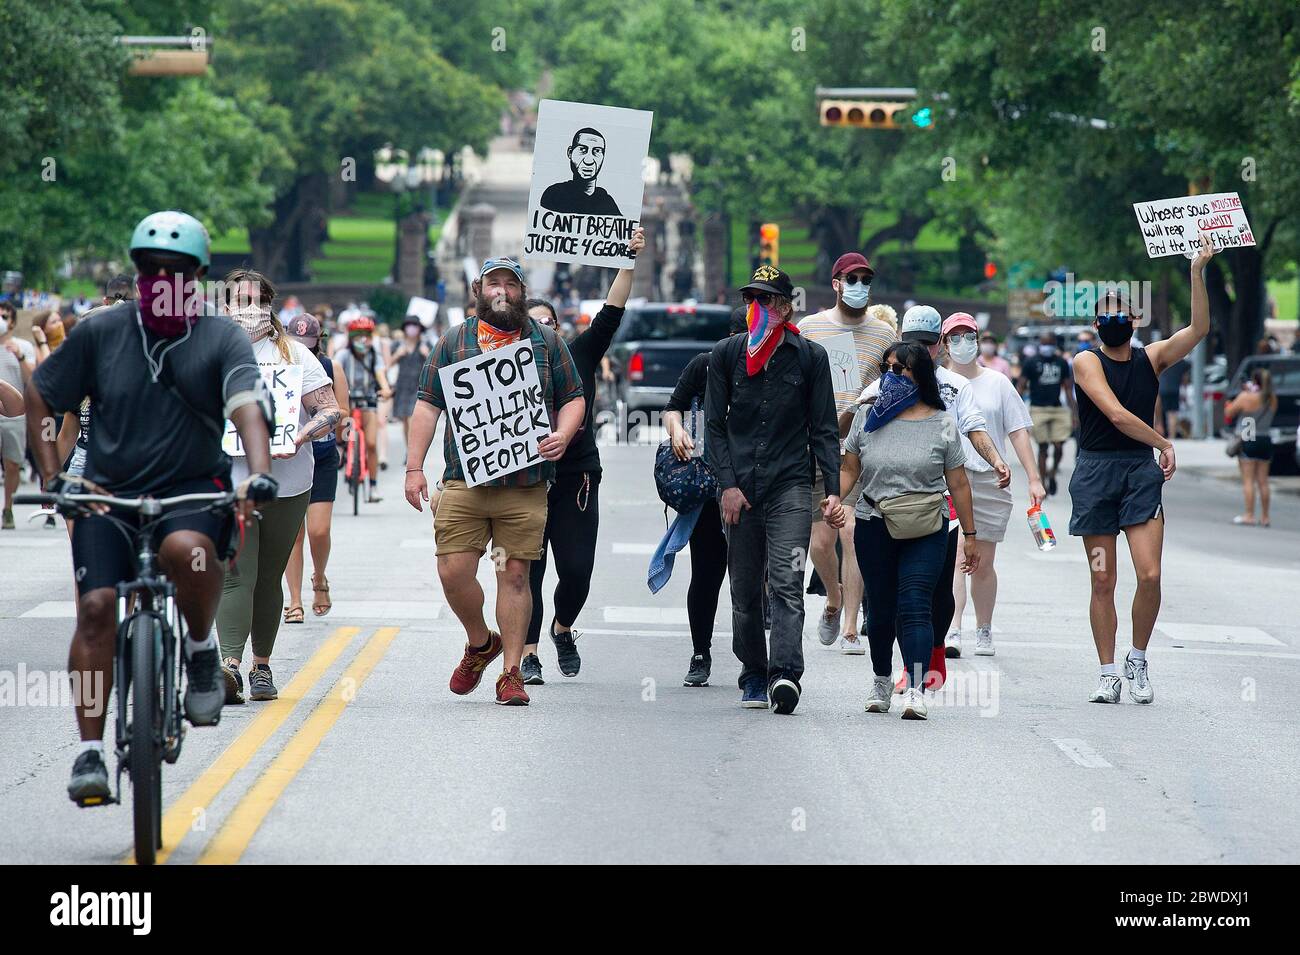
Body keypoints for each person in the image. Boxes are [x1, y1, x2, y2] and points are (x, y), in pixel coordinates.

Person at [25, 210, 277, 803]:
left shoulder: (222, 335)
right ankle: (90, 750)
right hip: (106, 494)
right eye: (151, 269)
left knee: (184, 550)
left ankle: (199, 647)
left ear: (197, 276)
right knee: (95, 607)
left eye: (178, 271)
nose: (164, 279)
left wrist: (260, 473)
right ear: (138, 272)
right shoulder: (99, 331)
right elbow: (41, 395)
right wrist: (54, 476)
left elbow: (246, 401)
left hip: (190, 490)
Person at [404, 257, 586, 706]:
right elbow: (427, 406)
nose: (501, 291)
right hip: (464, 481)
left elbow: (573, 397)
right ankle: (480, 641)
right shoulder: (454, 341)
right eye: (493, 283)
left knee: (516, 574)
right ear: (477, 290)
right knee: (453, 571)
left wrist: (563, 433)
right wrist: (413, 468)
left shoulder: (545, 342)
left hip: (524, 484)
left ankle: (511, 673)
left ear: (522, 292)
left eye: (510, 283)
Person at [1070, 234, 1215, 705]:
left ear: (1135, 321)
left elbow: (1197, 330)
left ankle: (1137, 656)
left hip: (1138, 474)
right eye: (1106, 314)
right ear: (1096, 323)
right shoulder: (1085, 361)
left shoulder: (1150, 358)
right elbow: (1115, 414)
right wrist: (1163, 441)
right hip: (1095, 474)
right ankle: (1107, 670)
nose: (1115, 320)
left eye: (1123, 314)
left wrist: (1197, 271)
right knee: (1103, 578)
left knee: (1149, 574)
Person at [849, 305, 1010, 691]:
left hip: (940, 505)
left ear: (938, 345)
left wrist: (996, 460)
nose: (919, 349)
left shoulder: (955, 388)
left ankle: (934, 648)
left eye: (926, 342)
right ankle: (907, 672)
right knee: (904, 597)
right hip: (882, 508)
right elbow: (851, 429)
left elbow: (974, 429)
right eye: (912, 342)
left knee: (936, 595)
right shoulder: (881, 386)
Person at [705, 265, 841, 715]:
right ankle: (752, 674)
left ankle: (785, 673)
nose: (757, 309)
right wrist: (726, 485)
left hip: (790, 488)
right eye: (751, 301)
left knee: (786, 584)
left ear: (784, 308)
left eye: (766, 301)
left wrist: (834, 490)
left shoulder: (810, 357)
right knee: (745, 591)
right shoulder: (725, 355)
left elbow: (823, 429)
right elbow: (714, 429)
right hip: (740, 490)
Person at [522, 227, 645, 685]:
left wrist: (627, 260)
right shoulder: (506, 367)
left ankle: (563, 626)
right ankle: (529, 654)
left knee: (576, 569)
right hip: (527, 480)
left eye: (549, 323)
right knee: (526, 569)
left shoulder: (578, 354)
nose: (543, 330)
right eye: (533, 323)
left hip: (577, 477)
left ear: (560, 328)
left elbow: (612, 311)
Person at [838, 342, 979, 720]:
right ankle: (881, 680)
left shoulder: (942, 422)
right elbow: (850, 466)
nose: (892, 375)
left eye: (900, 368)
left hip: (926, 525)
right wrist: (835, 498)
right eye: (887, 368)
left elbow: (960, 483)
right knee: (881, 608)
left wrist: (970, 534)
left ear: (920, 375)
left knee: (916, 604)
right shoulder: (869, 416)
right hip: (874, 523)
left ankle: (914, 688)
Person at [217, 270, 339, 703]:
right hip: (230, 480)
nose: (248, 308)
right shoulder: (208, 351)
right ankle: (228, 665)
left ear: (269, 305)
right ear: (224, 304)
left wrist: (301, 437)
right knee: (236, 572)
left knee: (268, 577)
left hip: (287, 482)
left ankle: (261, 667)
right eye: (239, 300)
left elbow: (329, 411)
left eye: (256, 300)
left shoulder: (294, 356)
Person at [797, 252, 896, 653]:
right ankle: (834, 598)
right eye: (851, 278)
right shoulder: (810, 328)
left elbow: (894, 388)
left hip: (860, 447)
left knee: (853, 533)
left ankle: (852, 624)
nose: (859, 285)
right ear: (836, 283)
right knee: (820, 543)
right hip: (815, 445)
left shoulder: (884, 335)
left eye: (865, 279)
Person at [941, 312, 1046, 657]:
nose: (962, 343)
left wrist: (1033, 477)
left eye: (968, 335)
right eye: (954, 336)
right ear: (943, 344)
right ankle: (952, 628)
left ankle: (983, 628)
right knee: (956, 554)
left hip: (989, 479)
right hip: (948, 478)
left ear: (978, 339)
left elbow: (1017, 430)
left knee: (982, 561)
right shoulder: (937, 381)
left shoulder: (998, 383)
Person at [656, 307, 747, 687]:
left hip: (755, 484)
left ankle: (753, 660)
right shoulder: (705, 365)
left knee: (749, 577)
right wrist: (677, 430)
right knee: (708, 572)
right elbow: (673, 406)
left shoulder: (778, 367)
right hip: (709, 484)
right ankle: (701, 652)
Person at [283, 313, 349, 621]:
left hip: (320, 454)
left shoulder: (328, 367)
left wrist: (323, 416)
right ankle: (294, 600)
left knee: (318, 530)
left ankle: (319, 578)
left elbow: (343, 408)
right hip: (289, 456)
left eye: (309, 345)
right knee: (292, 533)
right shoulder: (278, 365)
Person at [336, 315, 392, 502]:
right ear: (351, 337)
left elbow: (380, 374)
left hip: (368, 401)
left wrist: (385, 389)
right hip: (348, 401)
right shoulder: (343, 355)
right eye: (358, 335)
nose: (363, 339)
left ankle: (373, 486)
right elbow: (335, 375)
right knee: (340, 418)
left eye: (367, 335)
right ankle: (340, 447)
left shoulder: (374, 355)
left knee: (371, 444)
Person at [1018, 331, 1077, 496]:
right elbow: (1021, 386)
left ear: (1055, 344)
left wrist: (1074, 413)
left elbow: (1067, 389)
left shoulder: (1061, 363)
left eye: (1050, 343)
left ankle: (1053, 471)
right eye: (1044, 343)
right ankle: (1042, 482)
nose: (1047, 347)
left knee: (1059, 446)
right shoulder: (1031, 362)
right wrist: (1017, 410)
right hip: (1038, 408)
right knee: (1043, 448)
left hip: (1057, 408)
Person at [1225, 368, 1277, 527]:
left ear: (1254, 381)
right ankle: (1266, 516)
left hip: (1247, 439)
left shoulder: (1245, 397)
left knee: (1248, 480)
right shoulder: (1272, 398)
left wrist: (1230, 401)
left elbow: (1229, 412)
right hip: (1265, 439)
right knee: (1263, 481)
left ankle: (1249, 514)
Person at [0, 299, 36, 529]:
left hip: (14, 414)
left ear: (12, 322)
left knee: (13, 464)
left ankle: (8, 507)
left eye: (5, 317)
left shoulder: (23, 347)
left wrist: (20, 357)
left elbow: (32, 380)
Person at [540, 128, 623, 216]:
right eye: (582, 150)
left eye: (597, 151)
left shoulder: (606, 202)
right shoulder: (554, 195)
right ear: (570, 153)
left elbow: (622, 227)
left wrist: (635, 230)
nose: (588, 161)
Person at [389, 317, 431, 453]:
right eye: (409, 325)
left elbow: (433, 365)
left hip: (418, 386)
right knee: (405, 419)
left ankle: (413, 450)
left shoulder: (425, 345)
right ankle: (409, 449)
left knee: (413, 418)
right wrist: (397, 355)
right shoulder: (397, 345)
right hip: (402, 385)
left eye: (415, 326)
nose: (412, 328)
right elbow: (388, 364)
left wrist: (427, 355)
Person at [1155, 355, 1188, 439]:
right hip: (1174, 389)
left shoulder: (1163, 358)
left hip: (1162, 388)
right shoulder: (1181, 361)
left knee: (1159, 411)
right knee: (1172, 413)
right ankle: (1171, 436)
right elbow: (1185, 378)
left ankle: (1159, 430)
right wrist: (1184, 390)